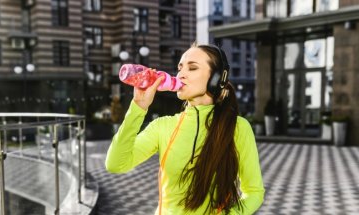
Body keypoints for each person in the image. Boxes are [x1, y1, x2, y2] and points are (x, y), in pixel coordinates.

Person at [105, 42, 265, 214]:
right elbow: (115, 164)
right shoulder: (163, 126)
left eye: (192, 68)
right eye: (180, 68)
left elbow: (254, 192)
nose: (181, 74)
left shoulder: (237, 128)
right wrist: (138, 107)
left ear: (216, 78)